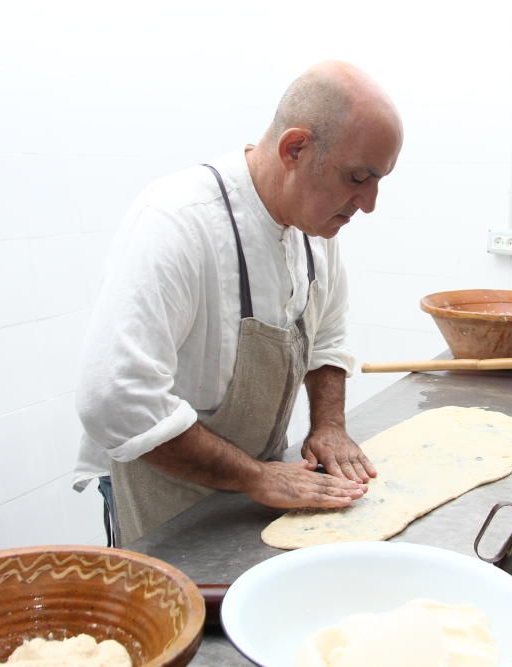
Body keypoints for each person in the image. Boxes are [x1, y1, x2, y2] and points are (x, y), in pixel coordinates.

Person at [73, 61, 404, 546]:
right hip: (162, 494)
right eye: (358, 177)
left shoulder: (317, 226)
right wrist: (257, 477)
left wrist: (329, 425)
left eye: (378, 181)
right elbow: (114, 398)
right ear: (295, 148)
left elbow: (327, 334)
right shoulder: (179, 221)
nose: (369, 202)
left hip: (250, 487)